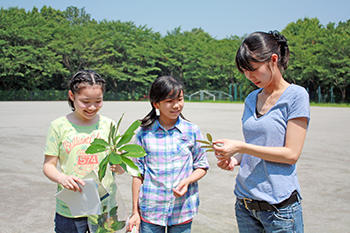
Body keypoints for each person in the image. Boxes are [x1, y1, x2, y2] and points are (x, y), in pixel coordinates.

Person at [213, 31, 310, 233]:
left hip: (279, 210)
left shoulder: (296, 96)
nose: (249, 76)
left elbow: (291, 154)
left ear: (273, 60)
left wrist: (240, 146)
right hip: (246, 205)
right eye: (244, 71)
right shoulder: (251, 99)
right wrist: (235, 159)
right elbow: (258, 142)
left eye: (253, 69)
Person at [43, 70, 125, 233]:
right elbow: (48, 165)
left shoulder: (109, 125)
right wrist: (62, 178)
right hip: (71, 208)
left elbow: (118, 166)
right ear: (72, 96)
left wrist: (120, 166)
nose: (92, 107)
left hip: (104, 207)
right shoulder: (59, 126)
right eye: (85, 101)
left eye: (98, 101)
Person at [127, 76, 209, 233]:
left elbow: (202, 165)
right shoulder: (143, 133)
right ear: (156, 103)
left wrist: (187, 181)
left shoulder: (192, 131)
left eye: (180, 99)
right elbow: (137, 173)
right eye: (169, 101)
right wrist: (135, 212)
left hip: (182, 209)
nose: (176, 106)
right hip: (151, 210)